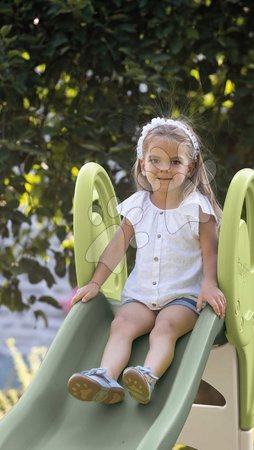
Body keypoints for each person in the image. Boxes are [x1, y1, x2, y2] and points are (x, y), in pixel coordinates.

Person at [67, 117, 227, 406]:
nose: (164, 169)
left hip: (183, 297)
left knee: (165, 327)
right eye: (155, 160)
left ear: (189, 167)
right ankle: (106, 376)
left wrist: (210, 284)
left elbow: (210, 250)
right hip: (140, 296)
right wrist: (94, 283)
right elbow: (116, 247)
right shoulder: (137, 205)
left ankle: (148, 375)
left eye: (175, 162)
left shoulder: (196, 206)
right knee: (122, 324)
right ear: (142, 163)